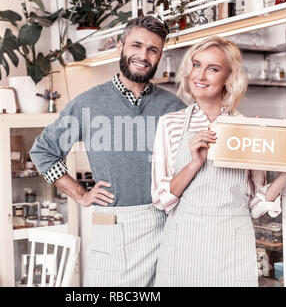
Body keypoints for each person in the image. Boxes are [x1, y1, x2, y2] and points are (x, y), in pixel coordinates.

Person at [29, 16, 186, 286]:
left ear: (159, 56)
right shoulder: (87, 104)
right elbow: (43, 152)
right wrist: (80, 193)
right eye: (136, 45)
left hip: (165, 224)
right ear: (121, 46)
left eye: (153, 49)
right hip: (112, 223)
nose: (143, 55)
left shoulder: (174, 108)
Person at [151, 36, 286, 287]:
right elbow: (161, 199)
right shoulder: (170, 124)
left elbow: (257, 206)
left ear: (229, 77)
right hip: (182, 246)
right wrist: (193, 164)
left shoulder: (248, 128)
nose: (200, 76)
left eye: (213, 69)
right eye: (196, 65)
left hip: (232, 248)